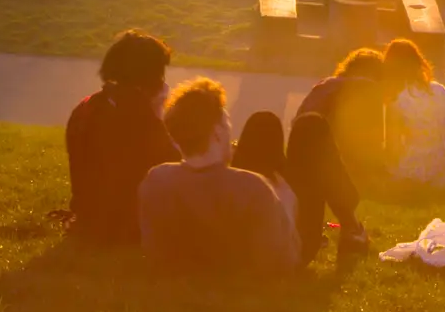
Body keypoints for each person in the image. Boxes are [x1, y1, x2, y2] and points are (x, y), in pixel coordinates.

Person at [139, 78, 298, 275]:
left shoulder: (156, 179)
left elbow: (153, 249)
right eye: (227, 123)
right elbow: (281, 264)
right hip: (238, 286)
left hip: (174, 281)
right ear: (217, 132)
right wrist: (286, 205)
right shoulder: (254, 188)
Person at [65, 29, 182, 246]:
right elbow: (176, 166)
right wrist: (158, 113)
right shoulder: (138, 114)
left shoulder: (86, 107)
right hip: (126, 225)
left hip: (89, 217)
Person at [234, 106, 372, 259]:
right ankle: (351, 227)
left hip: (239, 245)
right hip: (290, 249)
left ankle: (250, 232)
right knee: (311, 126)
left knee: (263, 122)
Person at [295, 47, 394, 183]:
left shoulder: (326, 84)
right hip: (341, 164)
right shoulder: (370, 88)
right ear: (378, 72)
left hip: (306, 157)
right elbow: (374, 139)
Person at [383, 38, 445, 189]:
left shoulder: (396, 99)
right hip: (444, 176)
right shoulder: (440, 90)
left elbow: (393, 147)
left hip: (411, 175)